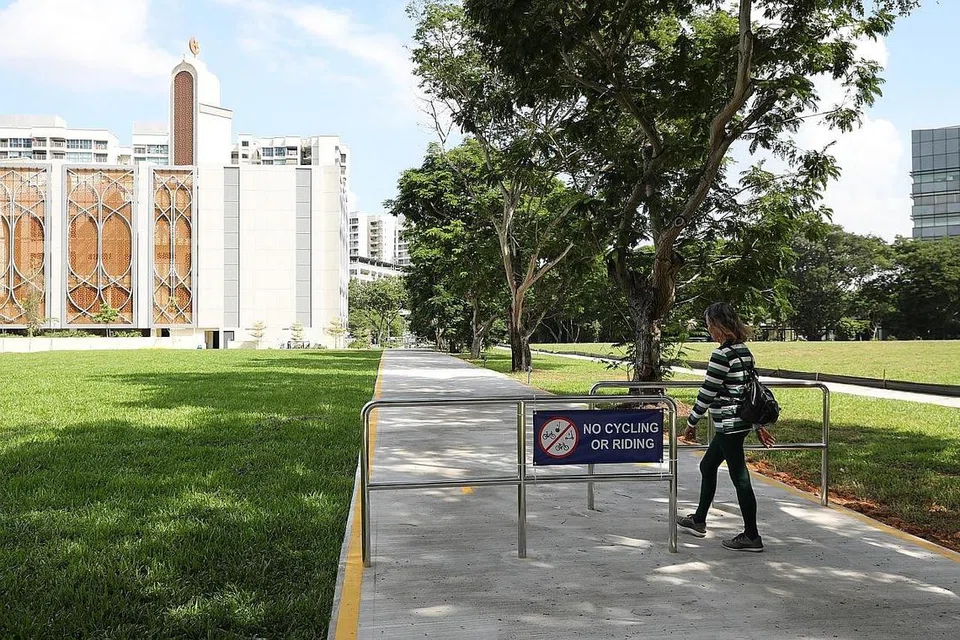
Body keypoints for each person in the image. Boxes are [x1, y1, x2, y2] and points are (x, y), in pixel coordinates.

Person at [677, 302, 776, 552]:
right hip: (738, 422)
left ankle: (752, 535)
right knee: (707, 465)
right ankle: (699, 519)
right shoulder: (744, 351)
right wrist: (756, 424)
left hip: (728, 424)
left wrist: (691, 422)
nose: (709, 329)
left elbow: (707, 393)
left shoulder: (722, 355)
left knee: (740, 478)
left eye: (710, 324)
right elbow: (747, 391)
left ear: (718, 326)